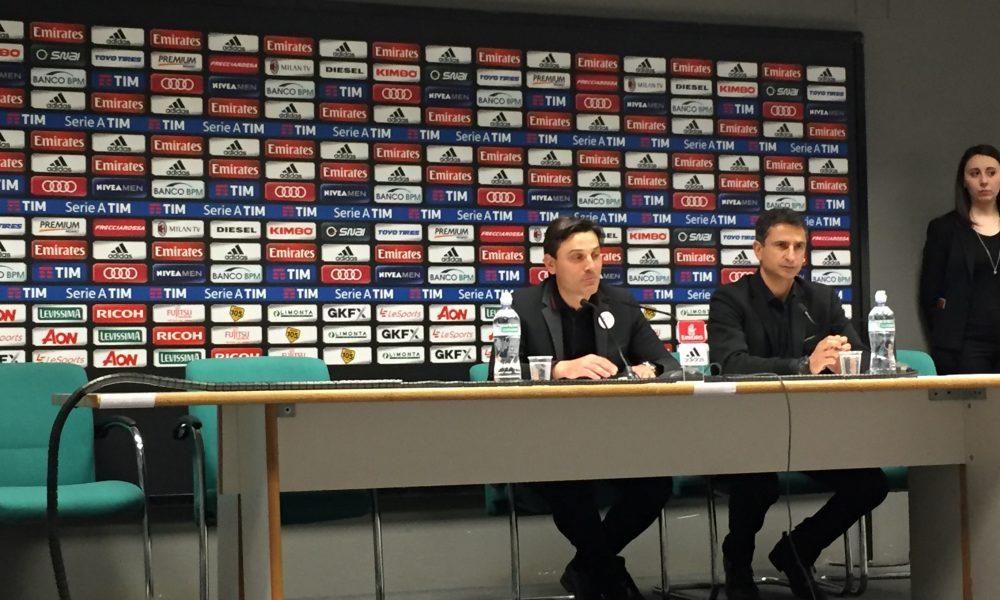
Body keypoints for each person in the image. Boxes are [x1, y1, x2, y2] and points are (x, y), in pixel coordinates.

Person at [707, 208, 889, 600]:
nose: (791, 255)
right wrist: (805, 365)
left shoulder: (820, 298)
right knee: (757, 483)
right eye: (781, 246)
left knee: (870, 483)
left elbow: (859, 355)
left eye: (799, 247)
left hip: (810, 431)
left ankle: (798, 549)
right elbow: (731, 364)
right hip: (746, 433)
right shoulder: (729, 300)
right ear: (758, 250)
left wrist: (841, 356)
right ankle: (737, 564)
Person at [497, 216, 679, 600]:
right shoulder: (522, 306)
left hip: (612, 439)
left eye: (596, 255)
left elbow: (668, 364)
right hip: (545, 444)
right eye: (577, 257)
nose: (591, 266)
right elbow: (501, 373)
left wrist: (647, 370)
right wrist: (557, 369)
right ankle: (610, 577)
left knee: (656, 485)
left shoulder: (620, 304)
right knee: (569, 485)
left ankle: (588, 568)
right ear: (550, 264)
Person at [919, 144, 1000, 374]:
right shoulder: (944, 229)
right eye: (975, 173)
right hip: (964, 346)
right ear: (964, 181)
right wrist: (943, 337)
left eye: (991, 173)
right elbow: (929, 292)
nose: (984, 181)